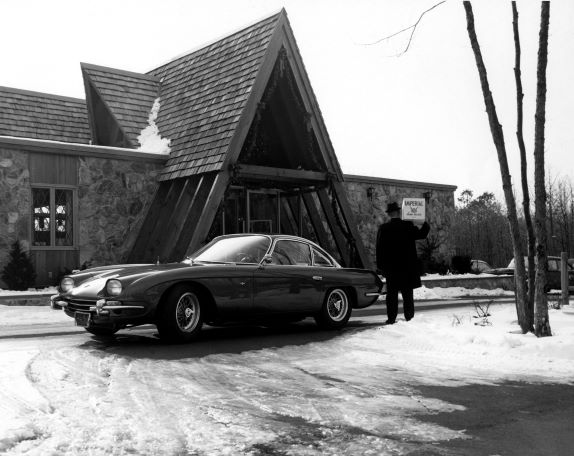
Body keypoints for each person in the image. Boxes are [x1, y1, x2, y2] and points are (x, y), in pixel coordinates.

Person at [376, 201, 430, 324]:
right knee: (407, 295)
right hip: (407, 268)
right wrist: (423, 222)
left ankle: (391, 319)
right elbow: (423, 234)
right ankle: (409, 318)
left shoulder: (384, 229)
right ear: (399, 212)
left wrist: (381, 268)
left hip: (391, 269)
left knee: (392, 295)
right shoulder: (408, 226)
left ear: (389, 214)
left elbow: (379, 250)